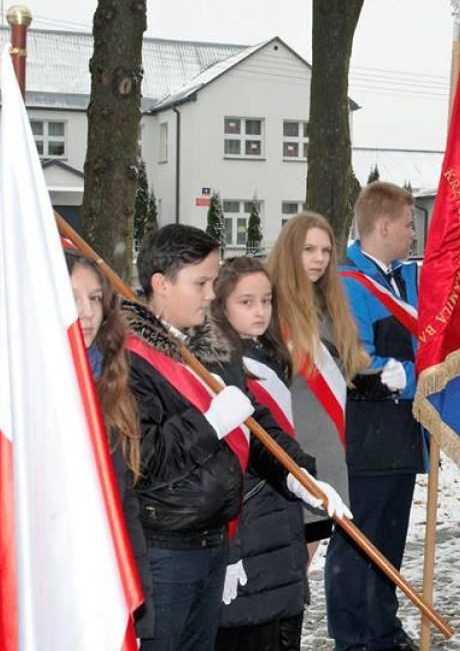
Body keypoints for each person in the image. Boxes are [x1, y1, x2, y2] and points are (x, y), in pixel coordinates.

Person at [125, 224, 342, 651]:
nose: (211, 294)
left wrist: (295, 472)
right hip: (164, 549)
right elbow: (145, 457)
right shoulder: (130, 358)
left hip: (213, 541)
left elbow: (253, 424)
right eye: (201, 283)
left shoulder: (212, 347)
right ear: (161, 284)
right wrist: (208, 424)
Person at [325, 182, 425, 651]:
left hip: (402, 434)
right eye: (408, 225)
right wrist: (420, 373)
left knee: (389, 542)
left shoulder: (407, 277)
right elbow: (357, 362)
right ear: (383, 226)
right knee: (355, 545)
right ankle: (353, 638)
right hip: (365, 437)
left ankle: (383, 628)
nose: (413, 234)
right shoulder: (346, 283)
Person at [206, 257, 320, 651]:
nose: (260, 311)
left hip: (278, 511)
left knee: (282, 622)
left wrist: (300, 472)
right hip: (250, 517)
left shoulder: (270, 353)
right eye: (247, 302)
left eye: (266, 301)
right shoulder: (217, 362)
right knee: (253, 627)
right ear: (220, 305)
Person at [64, 249, 155, 639]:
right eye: (71, 298)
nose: (86, 312)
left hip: (109, 578)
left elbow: (125, 500)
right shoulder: (7, 392)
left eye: (95, 298)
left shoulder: (110, 382)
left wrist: (139, 600)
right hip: (56, 582)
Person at [267, 213, 368, 562]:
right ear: (289, 250)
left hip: (325, 455)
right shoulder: (268, 305)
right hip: (286, 454)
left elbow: (347, 370)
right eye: (309, 249)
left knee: (300, 572)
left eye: (325, 250)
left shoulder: (331, 307)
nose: (319, 259)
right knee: (281, 574)